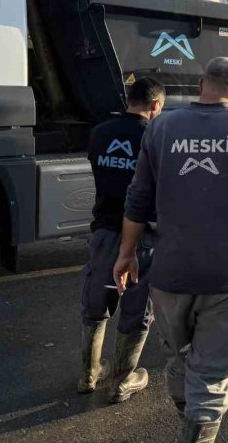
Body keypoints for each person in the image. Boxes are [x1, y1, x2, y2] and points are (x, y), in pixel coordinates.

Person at [115, 57, 228, 443]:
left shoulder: (160, 127)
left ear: (200, 85)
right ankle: (197, 425)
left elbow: (138, 198)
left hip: (169, 271)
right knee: (212, 372)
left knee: (178, 356)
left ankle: (187, 414)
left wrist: (126, 253)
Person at [79, 77, 165, 402]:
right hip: (141, 237)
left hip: (103, 233)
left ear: (129, 99)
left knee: (96, 303)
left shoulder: (100, 133)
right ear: (155, 105)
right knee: (136, 309)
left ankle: (88, 376)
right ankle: (120, 382)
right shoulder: (154, 139)